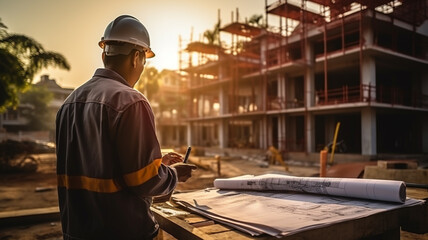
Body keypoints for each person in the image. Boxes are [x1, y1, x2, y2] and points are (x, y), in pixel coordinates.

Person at [56, 15, 196, 240]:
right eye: (143, 60)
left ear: (104, 55)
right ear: (136, 57)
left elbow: (103, 164)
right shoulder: (130, 101)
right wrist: (173, 175)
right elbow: (144, 182)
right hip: (125, 232)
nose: (142, 67)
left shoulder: (69, 103)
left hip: (76, 233)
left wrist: (156, 164)